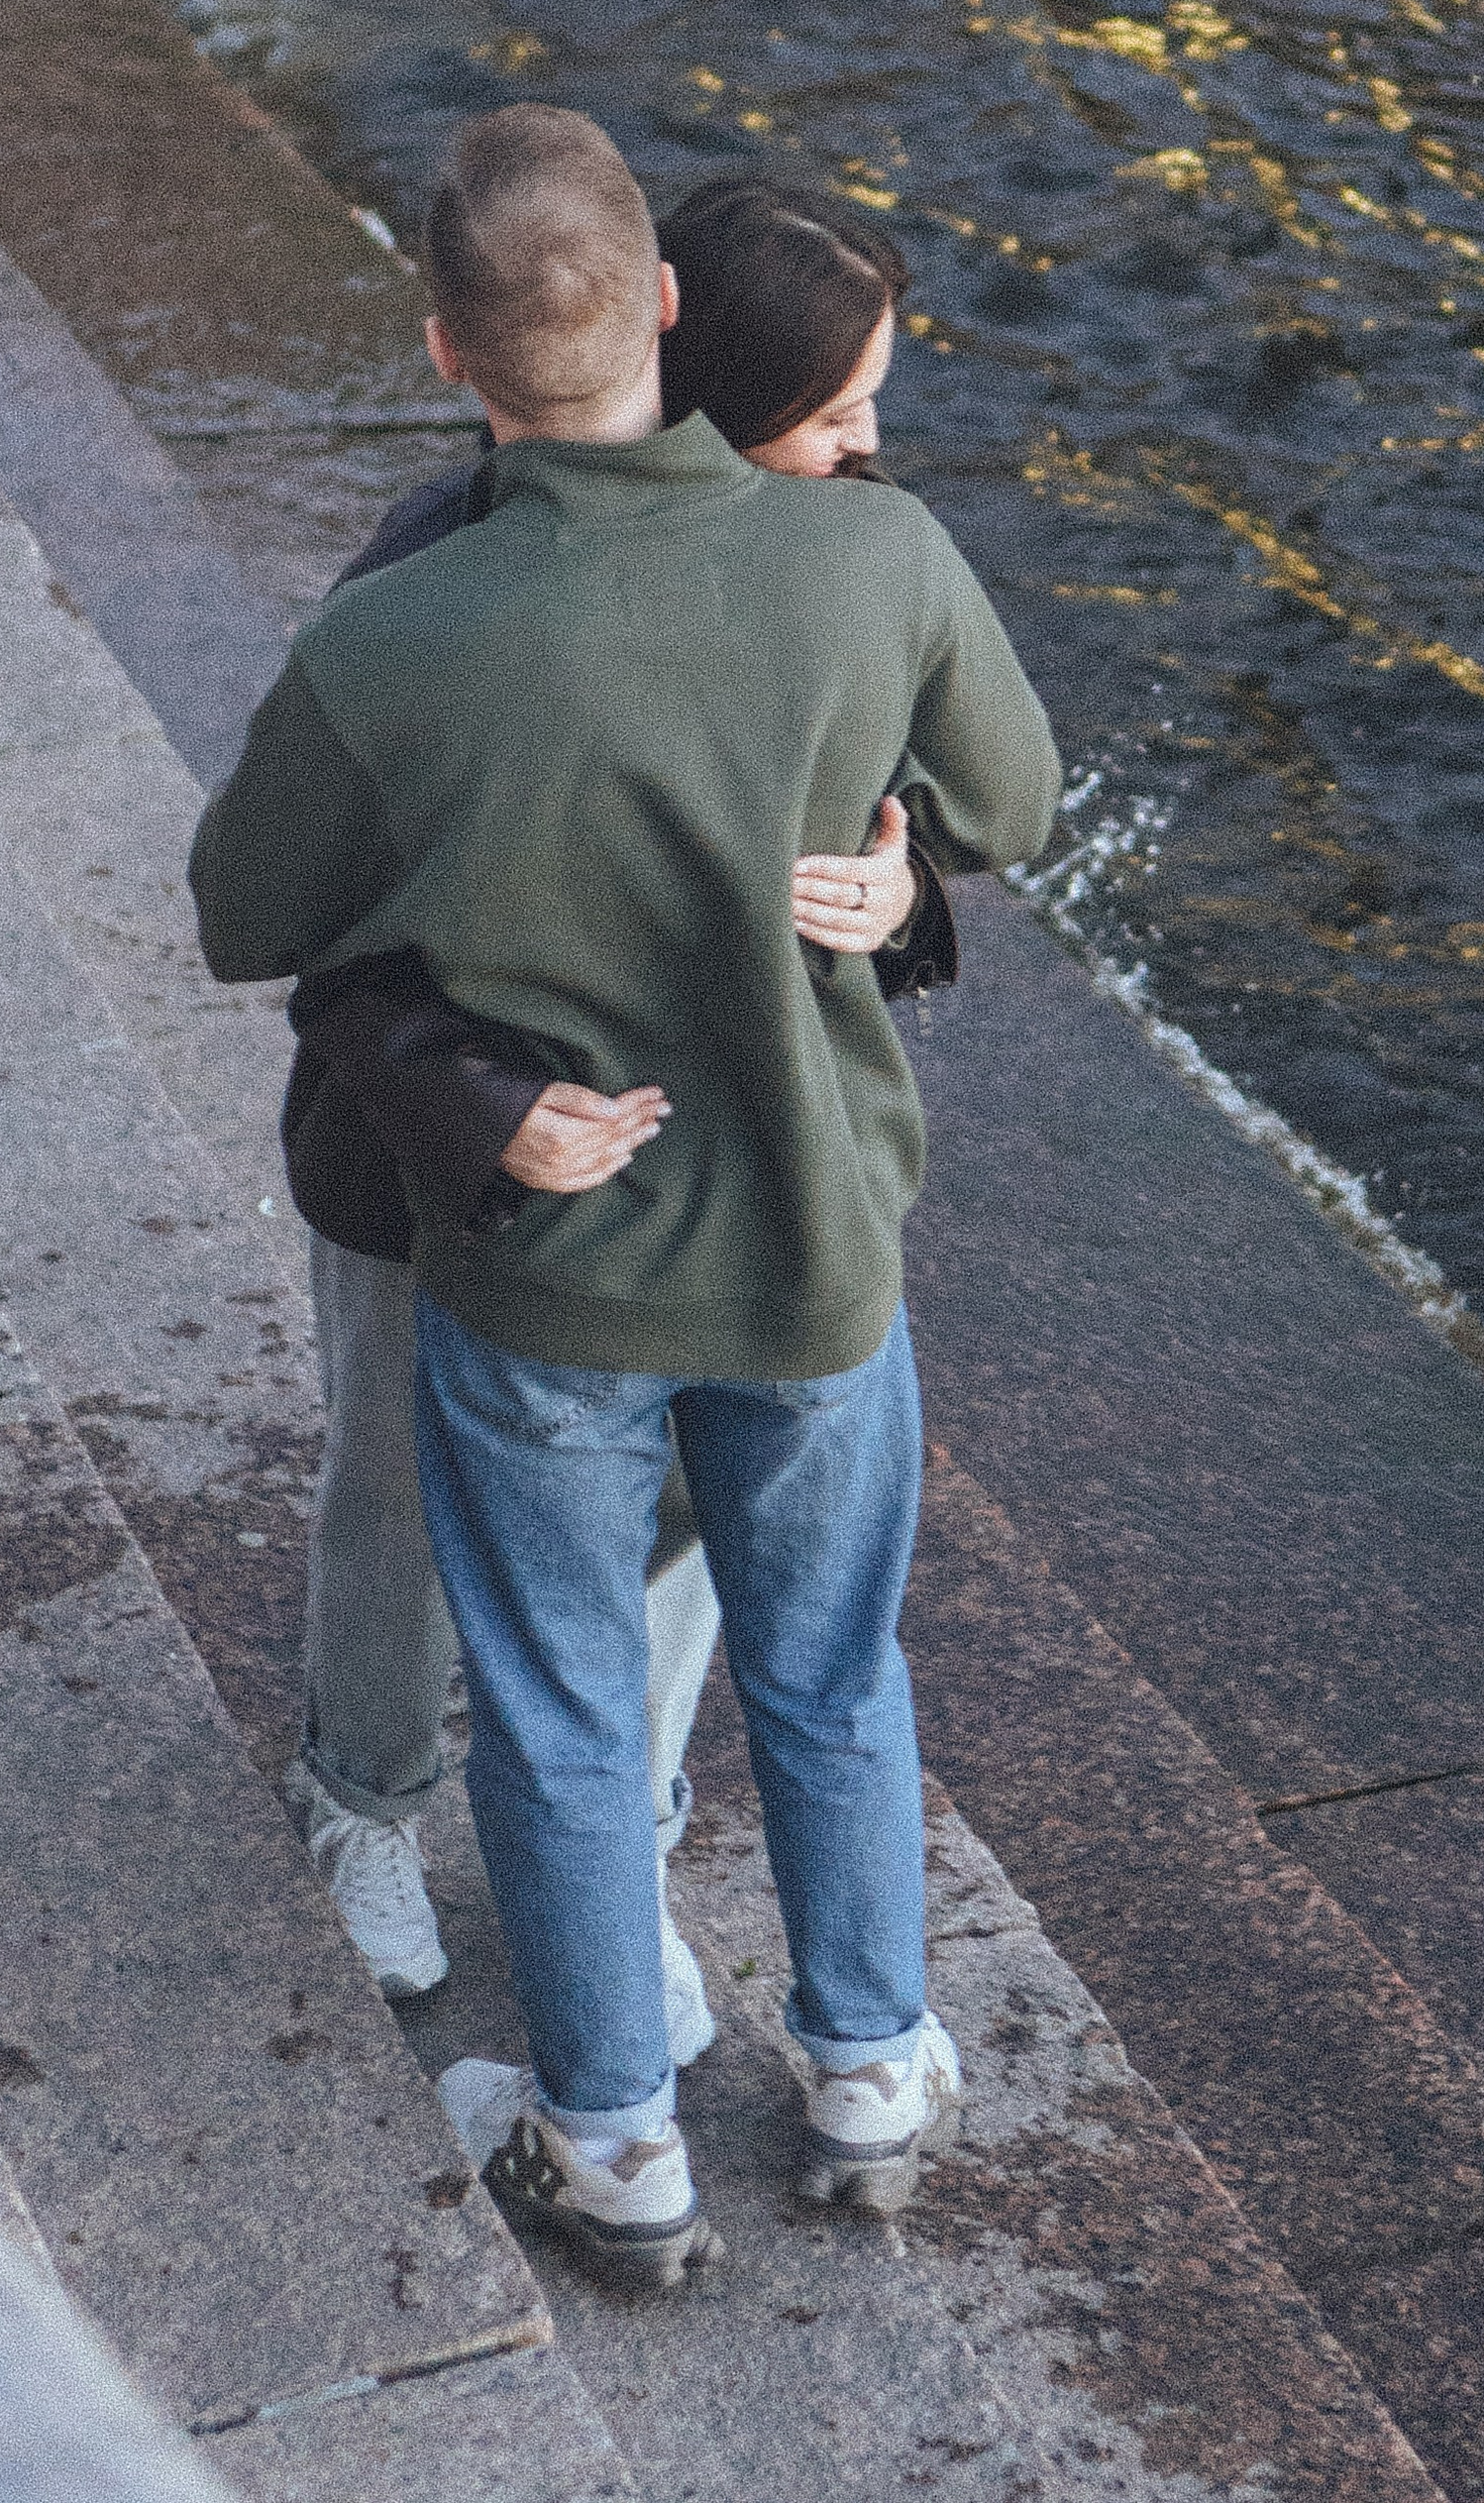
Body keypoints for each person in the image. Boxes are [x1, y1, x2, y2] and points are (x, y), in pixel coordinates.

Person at [192, 110, 1058, 2291]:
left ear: (442, 348)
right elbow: (1017, 794)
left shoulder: (405, 630)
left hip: (553, 1271)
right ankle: (868, 2068)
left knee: (569, 1709)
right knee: (832, 1672)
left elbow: (243, 913)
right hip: (811, 1256)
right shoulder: (878, 563)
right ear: (666, 313)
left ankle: (612, 2154)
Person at [274, 181, 948, 2063]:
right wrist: (489, 1115)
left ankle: (612, 1865)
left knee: (663, 1540)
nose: (871, 448)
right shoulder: (443, 569)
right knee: (401, 1492)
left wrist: (909, 899)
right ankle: (366, 1794)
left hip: (726, 1161)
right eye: (834, 412)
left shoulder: (852, 548)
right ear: (690, 372)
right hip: (449, 1175)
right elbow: (314, 926)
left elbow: (935, 797)